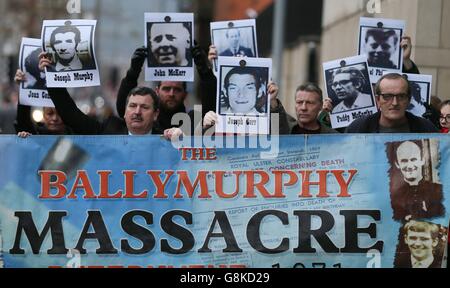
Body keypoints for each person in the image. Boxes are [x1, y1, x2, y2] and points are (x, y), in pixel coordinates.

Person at [346, 73, 439, 133]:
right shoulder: (358, 129)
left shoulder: (426, 129)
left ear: (408, 100)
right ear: (378, 100)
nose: (395, 103)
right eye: (387, 96)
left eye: (401, 96)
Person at [390, 141, 444, 220]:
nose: (410, 166)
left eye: (413, 159)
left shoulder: (438, 190)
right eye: (404, 161)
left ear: (422, 160)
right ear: (397, 164)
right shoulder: (392, 196)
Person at [14, 69, 70, 137]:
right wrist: (23, 87)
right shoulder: (35, 135)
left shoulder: (78, 133)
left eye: (60, 114)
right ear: (43, 115)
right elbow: (22, 122)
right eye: (49, 113)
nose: (55, 118)